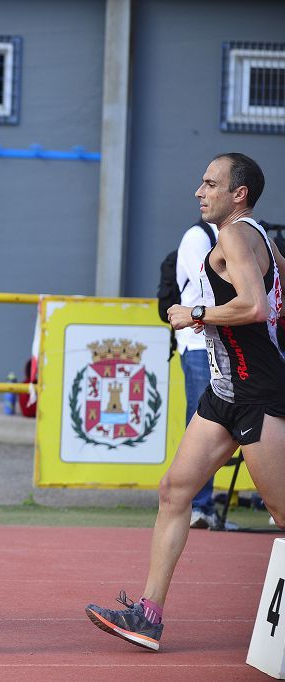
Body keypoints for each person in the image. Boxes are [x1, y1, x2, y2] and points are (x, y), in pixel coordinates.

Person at [86, 153, 285, 651]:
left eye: (210, 183)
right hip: (225, 392)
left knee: (283, 514)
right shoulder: (259, 238)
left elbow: (257, 306)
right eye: (201, 182)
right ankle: (148, 616)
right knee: (175, 491)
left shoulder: (238, 235)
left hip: (258, 393)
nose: (200, 191)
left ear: (239, 194)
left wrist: (194, 313)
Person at [172, 218, 224, 529]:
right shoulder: (197, 236)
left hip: (233, 344)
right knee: (202, 423)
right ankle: (198, 506)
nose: (201, 193)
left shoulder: (246, 234)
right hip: (198, 344)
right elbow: (210, 288)